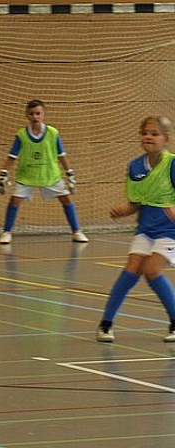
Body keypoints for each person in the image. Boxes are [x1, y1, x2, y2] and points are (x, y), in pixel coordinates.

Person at [96, 116, 175, 343]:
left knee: (152, 270)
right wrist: (124, 210)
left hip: (170, 231)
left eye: (155, 133)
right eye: (145, 133)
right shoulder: (135, 166)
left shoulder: (172, 165)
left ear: (166, 139)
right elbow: (137, 202)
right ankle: (106, 324)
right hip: (146, 229)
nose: (149, 137)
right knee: (131, 270)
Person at [0, 99, 89, 244]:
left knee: (66, 199)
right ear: (27, 115)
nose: (35, 116)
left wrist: (69, 172)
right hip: (27, 175)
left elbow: (61, 155)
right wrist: (3, 173)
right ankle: (7, 232)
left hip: (50, 174)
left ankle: (77, 231)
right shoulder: (21, 135)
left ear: (43, 115)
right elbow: (12, 156)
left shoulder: (53, 133)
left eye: (38, 113)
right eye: (32, 114)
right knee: (15, 201)